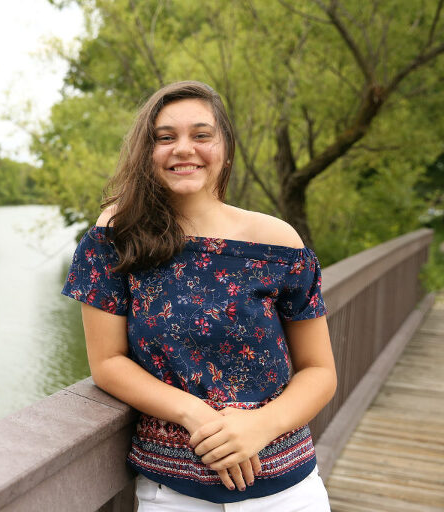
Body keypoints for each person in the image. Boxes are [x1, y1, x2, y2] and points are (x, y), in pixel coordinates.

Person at [61, 81, 336, 511]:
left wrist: (260, 426)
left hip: (287, 490)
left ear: (224, 148)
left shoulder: (278, 242)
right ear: (145, 152)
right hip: (172, 495)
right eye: (165, 137)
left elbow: (319, 370)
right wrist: (196, 414)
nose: (182, 148)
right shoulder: (117, 238)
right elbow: (107, 362)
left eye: (201, 135)